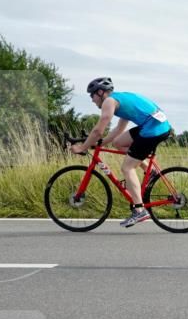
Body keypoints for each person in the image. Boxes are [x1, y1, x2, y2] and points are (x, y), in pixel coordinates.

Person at [69, 77, 172, 227]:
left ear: (100, 92)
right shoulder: (119, 100)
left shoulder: (108, 102)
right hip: (155, 126)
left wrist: (82, 147)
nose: (92, 100)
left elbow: (98, 130)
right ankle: (150, 172)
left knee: (127, 168)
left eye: (92, 95)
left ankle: (139, 210)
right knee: (118, 143)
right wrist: (97, 144)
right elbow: (118, 131)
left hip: (153, 130)